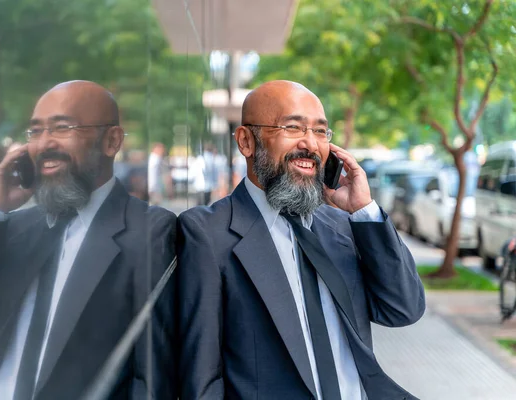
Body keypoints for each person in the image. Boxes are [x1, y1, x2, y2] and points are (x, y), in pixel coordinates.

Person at [176, 80, 425, 399]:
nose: (310, 144)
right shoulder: (207, 232)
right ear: (246, 141)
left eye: (321, 131)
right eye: (293, 127)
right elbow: (202, 376)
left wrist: (363, 211)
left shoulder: (343, 225)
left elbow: (403, 309)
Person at [0, 81, 177, 400]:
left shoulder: (151, 232)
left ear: (111, 140)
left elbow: (156, 372)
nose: (44, 144)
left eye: (62, 128)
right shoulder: (16, 227)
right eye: (35, 131)